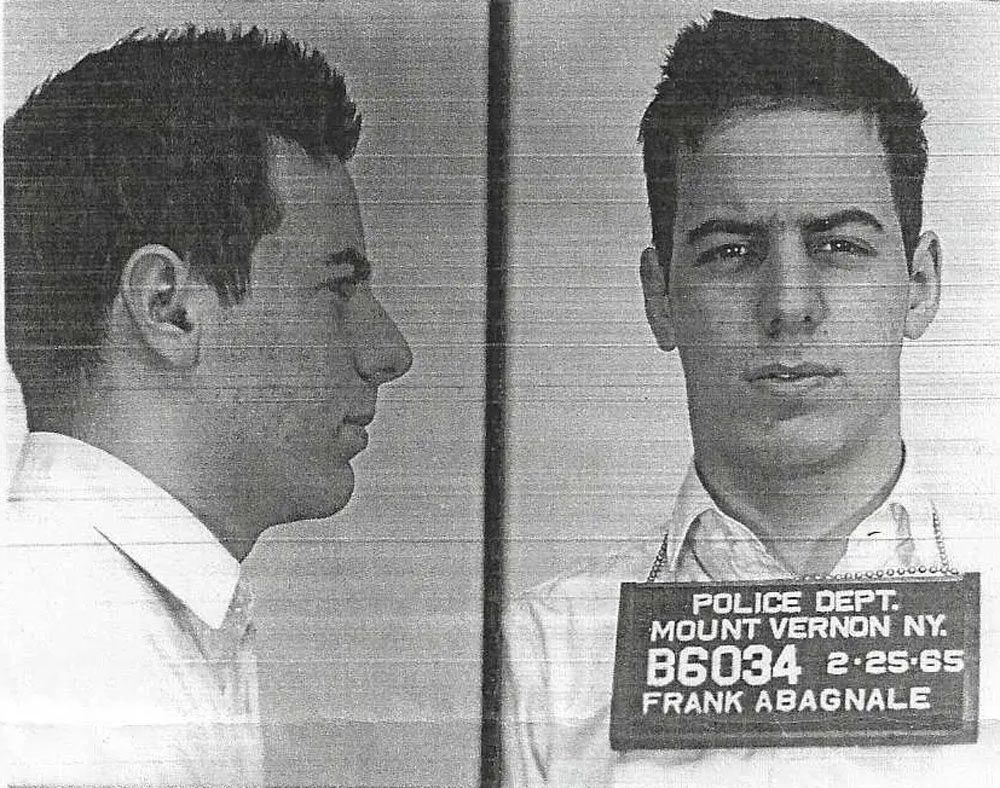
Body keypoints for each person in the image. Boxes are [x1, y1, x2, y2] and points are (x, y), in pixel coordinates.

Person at [502, 11, 997, 787]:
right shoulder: (546, 654)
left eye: (840, 246)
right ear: (660, 296)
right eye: (732, 251)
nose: (790, 304)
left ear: (920, 284)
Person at [1, 27, 412, 785]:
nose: (389, 350)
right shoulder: (77, 672)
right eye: (338, 286)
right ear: (171, 308)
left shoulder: (122, 618)